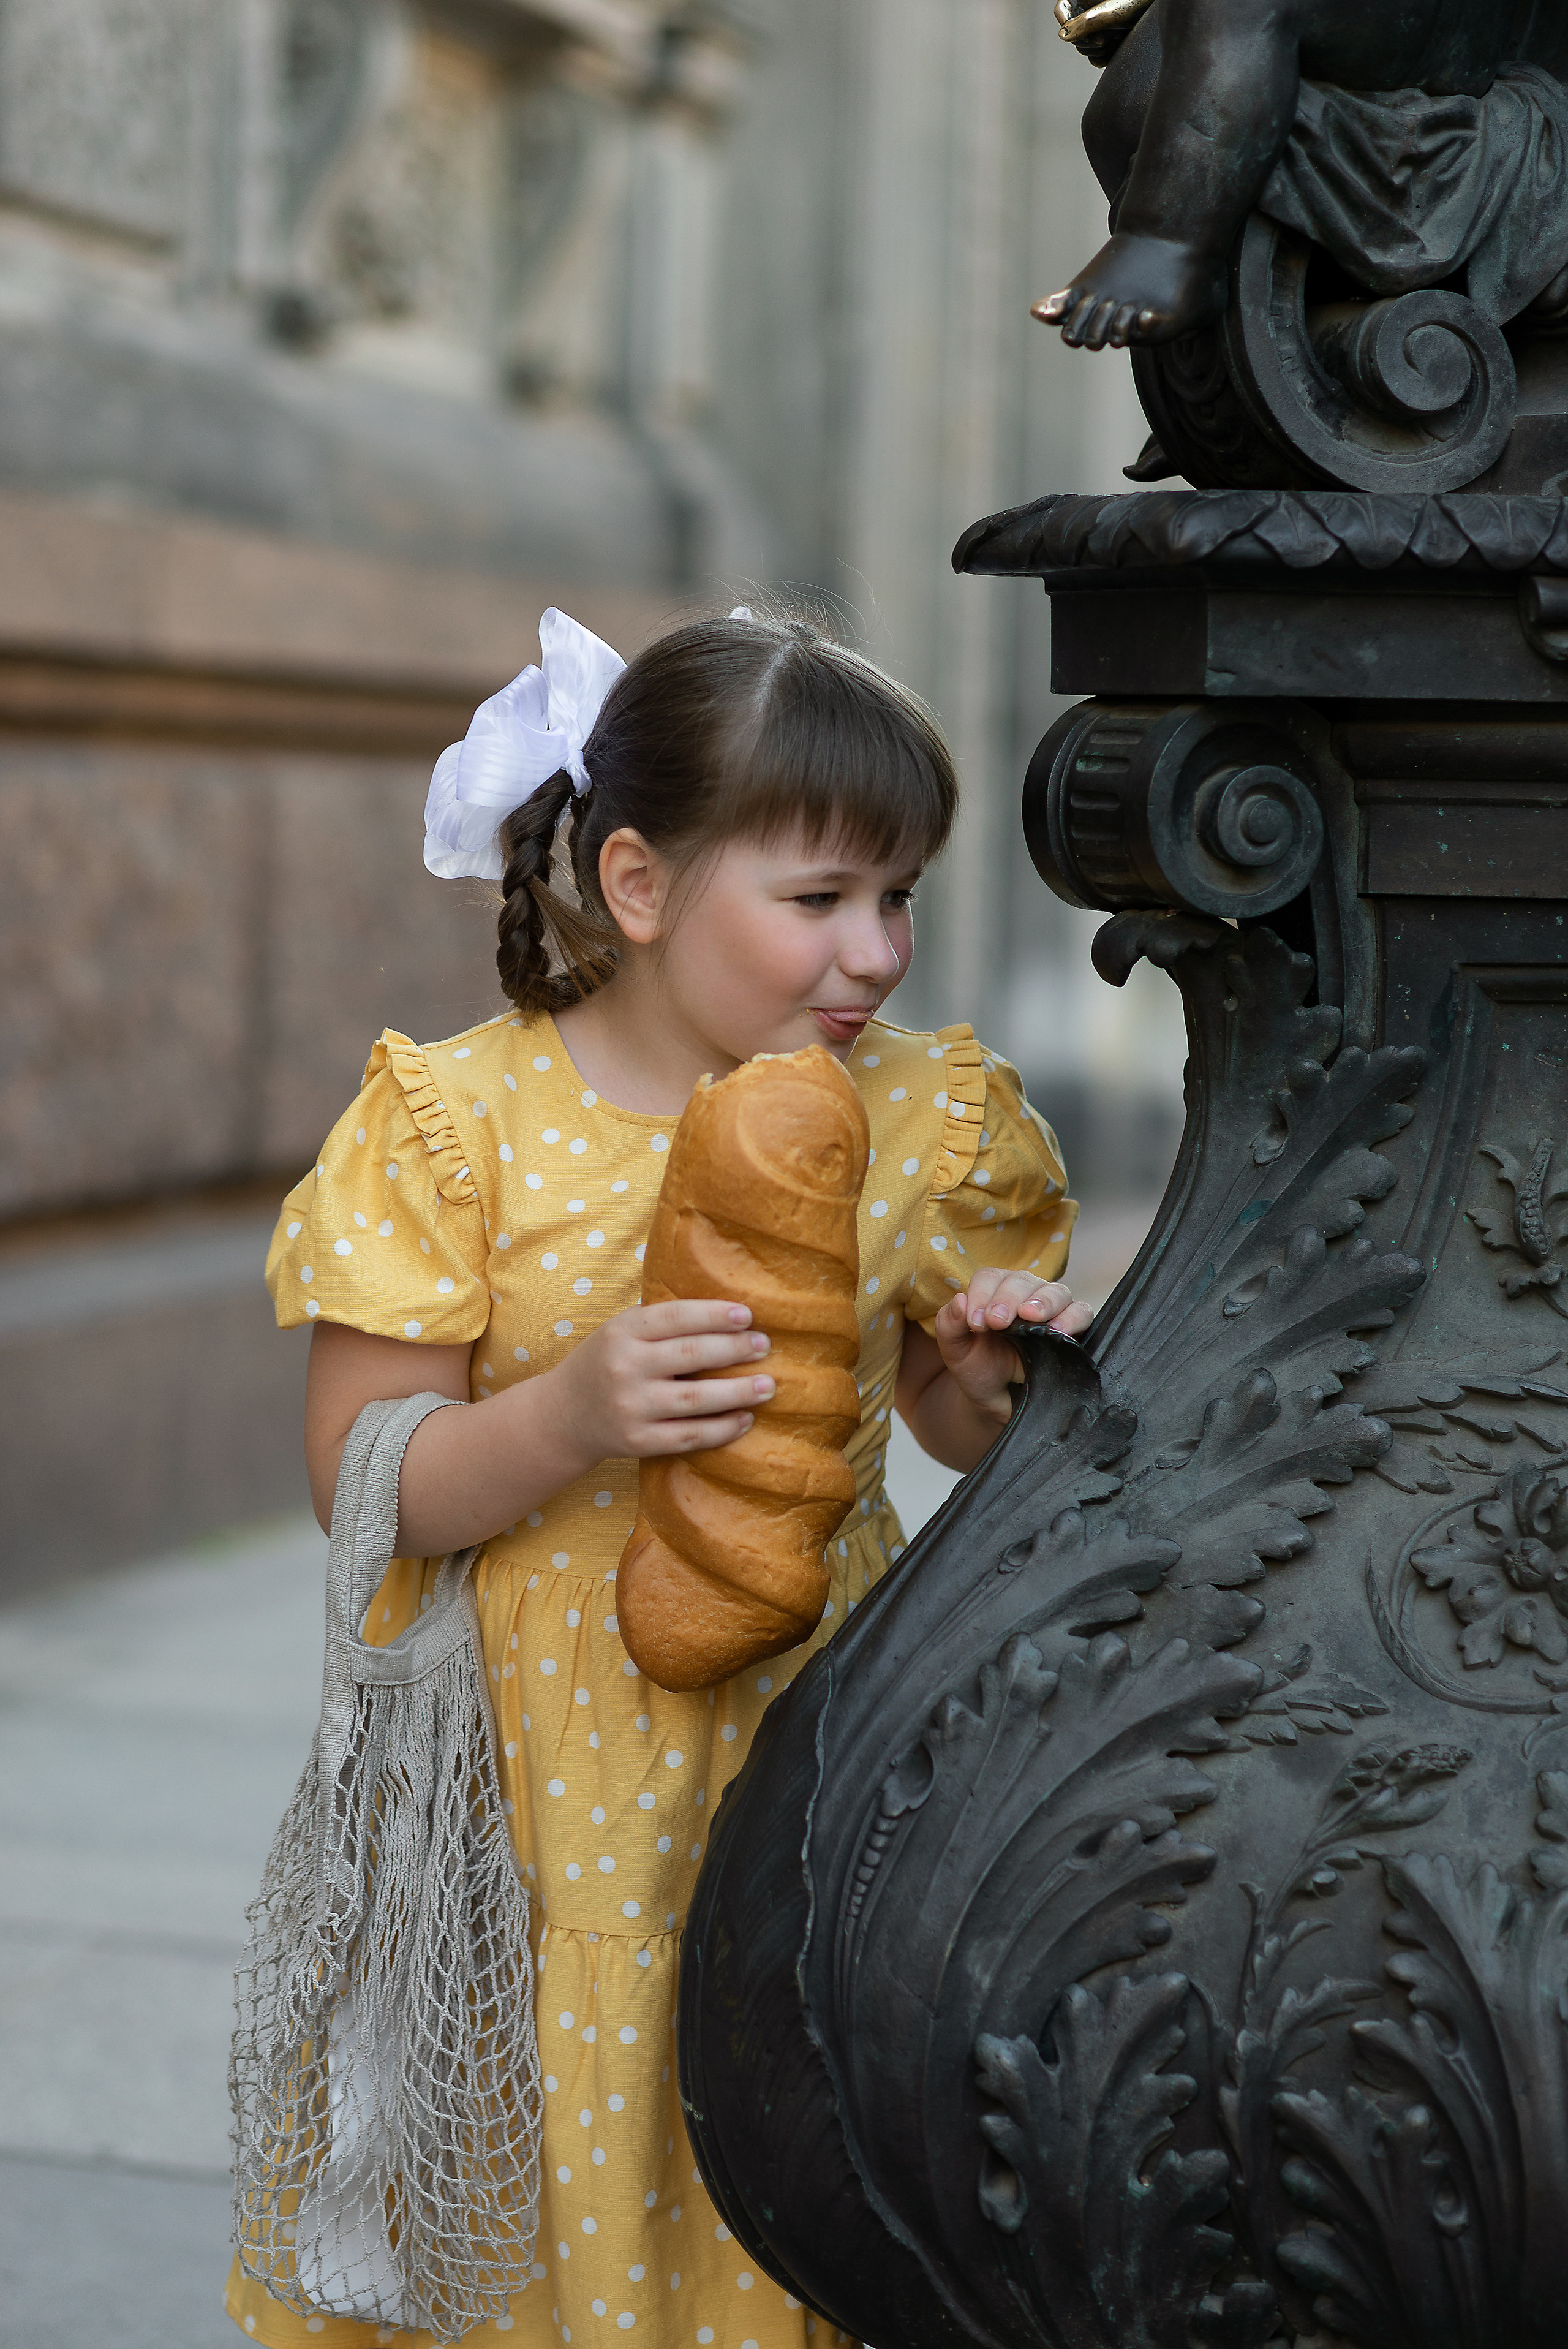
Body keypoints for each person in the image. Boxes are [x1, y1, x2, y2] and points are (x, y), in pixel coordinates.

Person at [224, 604, 1090, 2349]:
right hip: (524, 1787)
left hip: (815, 1733)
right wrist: (571, 1414)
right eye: (818, 897)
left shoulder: (918, 1122)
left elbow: (946, 1420)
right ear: (637, 885)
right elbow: (362, 1477)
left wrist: (990, 1372)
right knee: (554, 2151)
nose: (874, 951)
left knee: (776, 2124)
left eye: (899, 896)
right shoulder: (462, 1126)